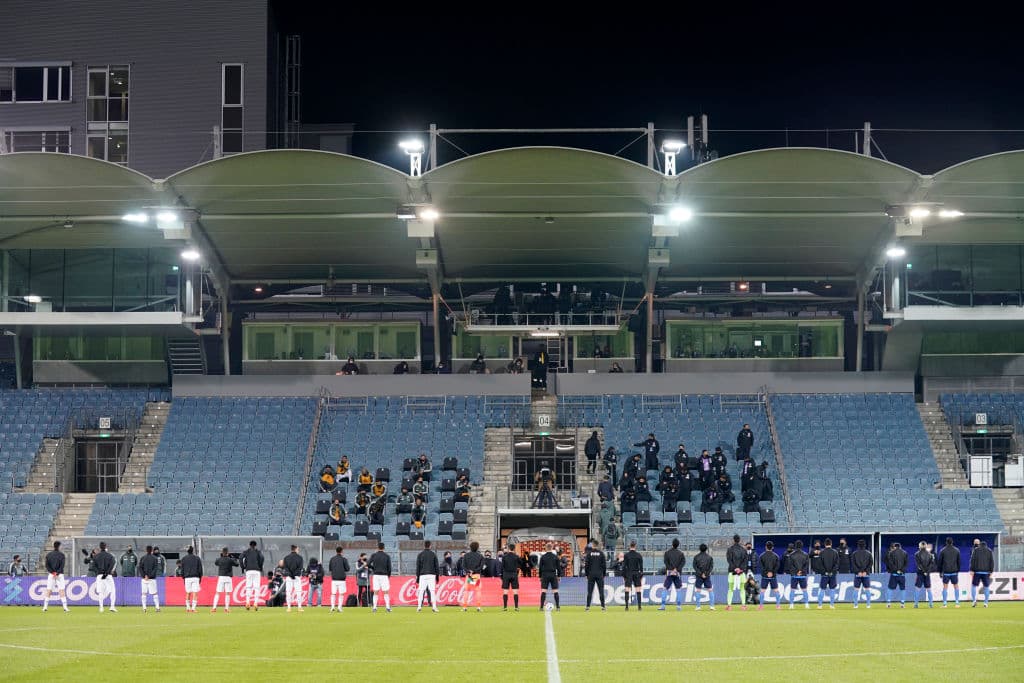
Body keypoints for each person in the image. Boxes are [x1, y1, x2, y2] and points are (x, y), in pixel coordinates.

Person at [658, 538, 686, 611]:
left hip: (669, 573)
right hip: (677, 573)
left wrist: (671, 569)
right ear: (678, 545)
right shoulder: (681, 553)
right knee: (679, 589)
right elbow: (683, 562)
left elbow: (666, 562)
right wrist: (677, 569)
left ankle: (663, 605)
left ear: (672, 544)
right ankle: (679, 606)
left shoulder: (667, 553)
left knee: (665, 588)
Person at [41, 542, 69, 612]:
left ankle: (45, 607)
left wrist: (53, 572)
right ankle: (65, 608)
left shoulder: (49, 555)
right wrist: (57, 573)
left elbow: (47, 566)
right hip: (60, 575)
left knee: (49, 590)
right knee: (61, 590)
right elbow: (62, 566)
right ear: (59, 546)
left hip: (51, 575)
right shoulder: (62, 555)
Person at [90, 542, 117, 613]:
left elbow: (93, 567)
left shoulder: (96, 556)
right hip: (108, 576)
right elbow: (112, 564)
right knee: (113, 590)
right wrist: (106, 573)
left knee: (100, 592)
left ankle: (101, 608)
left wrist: (99, 573)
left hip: (99, 576)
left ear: (100, 547)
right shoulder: (110, 556)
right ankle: (112, 606)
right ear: (105, 547)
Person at [367, 542, 393, 613]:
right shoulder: (387, 556)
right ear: (384, 548)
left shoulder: (374, 555)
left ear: (377, 548)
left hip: (376, 575)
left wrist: (373, 568)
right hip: (384, 576)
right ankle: (387, 607)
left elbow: (368, 564)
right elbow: (389, 568)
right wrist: (388, 576)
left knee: (376, 592)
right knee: (386, 592)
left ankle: (374, 608)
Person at [460, 541, 485, 612]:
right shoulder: (480, 556)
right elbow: (481, 566)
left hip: (469, 576)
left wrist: (469, 571)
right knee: (478, 591)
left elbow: (463, 566)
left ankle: (464, 607)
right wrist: (474, 571)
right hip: (476, 575)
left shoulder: (466, 555)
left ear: (470, 547)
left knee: (467, 591)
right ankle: (478, 607)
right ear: (477, 547)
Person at [415, 540, 440, 613]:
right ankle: (434, 607)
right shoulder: (433, 554)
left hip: (422, 575)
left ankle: (419, 607)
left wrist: (418, 577)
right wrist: (437, 577)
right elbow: (436, 567)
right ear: (430, 546)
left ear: (424, 546)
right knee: (432, 591)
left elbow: (418, 567)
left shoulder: (420, 554)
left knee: (421, 591)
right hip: (432, 575)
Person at [240, 540, 264, 611]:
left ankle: (247, 602)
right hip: (256, 570)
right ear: (255, 545)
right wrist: (260, 566)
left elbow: (240, 558)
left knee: (248, 587)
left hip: (249, 570)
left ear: (250, 545)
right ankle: (256, 603)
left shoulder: (246, 552)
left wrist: (243, 567)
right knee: (256, 587)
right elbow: (262, 558)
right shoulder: (258, 552)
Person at [212, 547, 238, 612]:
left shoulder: (219, 559)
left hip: (221, 577)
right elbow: (237, 564)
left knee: (217, 592)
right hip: (228, 578)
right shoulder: (230, 559)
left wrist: (221, 556)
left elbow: (216, 562)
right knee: (227, 593)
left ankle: (214, 608)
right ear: (228, 553)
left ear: (222, 552)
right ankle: (226, 608)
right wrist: (233, 558)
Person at [970, 540, 995, 608]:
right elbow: (991, 562)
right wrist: (991, 571)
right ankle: (986, 603)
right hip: (986, 572)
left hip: (977, 571)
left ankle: (974, 601)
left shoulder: (976, 550)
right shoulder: (989, 551)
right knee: (986, 587)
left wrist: (972, 570)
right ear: (986, 545)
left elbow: (972, 560)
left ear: (980, 544)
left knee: (973, 586)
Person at [938, 537, 962, 608]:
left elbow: (940, 562)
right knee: (956, 586)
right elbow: (959, 562)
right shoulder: (957, 550)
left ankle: (945, 604)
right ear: (952, 542)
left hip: (946, 572)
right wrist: (958, 570)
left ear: (946, 542)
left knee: (945, 587)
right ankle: (957, 603)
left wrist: (940, 571)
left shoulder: (942, 550)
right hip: (954, 571)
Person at [584, 539, 607, 611]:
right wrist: (604, 574)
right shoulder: (601, 553)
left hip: (591, 574)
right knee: (601, 591)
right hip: (599, 574)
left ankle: (587, 607)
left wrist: (586, 574)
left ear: (593, 545)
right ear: (597, 545)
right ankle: (603, 606)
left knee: (590, 591)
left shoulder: (589, 554)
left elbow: (586, 565)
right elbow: (604, 565)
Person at [726, 534, 748, 610]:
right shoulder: (743, 550)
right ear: (740, 540)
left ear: (733, 540)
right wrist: (740, 569)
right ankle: (743, 605)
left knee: (730, 589)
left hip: (732, 572)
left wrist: (735, 568)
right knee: (742, 589)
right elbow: (745, 561)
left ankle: (729, 606)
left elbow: (729, 560)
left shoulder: (730, 549)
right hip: (741, 573)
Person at [817, 538, 839, 609]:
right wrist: (832, 572)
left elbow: (820, 564)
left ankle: (820, 605)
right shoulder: (835, 552)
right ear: (831, 544)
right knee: (832, 589)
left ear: (825, 544)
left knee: (822, 589)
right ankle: (832, 605)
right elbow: (837, 564)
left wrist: (825, 572)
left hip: (824, 575)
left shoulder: (821, 552)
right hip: (832, 575)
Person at [885, 542, 909, 608]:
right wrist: (901, 570)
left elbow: (890, 564)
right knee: (903, 589)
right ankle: (902, 604)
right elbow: (906, 564)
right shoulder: (905, 553)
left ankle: (889, 603)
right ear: (900, 547)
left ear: (894, 547)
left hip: (894, 574)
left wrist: (896, 570)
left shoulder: (891, 553)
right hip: (902, 575)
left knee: (890, 588)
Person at [759, 541, 781, 610]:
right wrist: (772, 573)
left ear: (766, 547)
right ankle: (778, 606)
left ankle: (761, 606)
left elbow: (761, 567)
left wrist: (766, 573)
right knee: (776, 590)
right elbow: (777, 566)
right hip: (773, 576)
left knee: (762, 591)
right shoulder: (776, 556)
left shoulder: (762, 556)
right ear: (772, 547)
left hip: (765, 577)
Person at [851, 539, 874, 609]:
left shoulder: (854, 553)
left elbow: (853, 564)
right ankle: (868, 605)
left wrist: (858, 572)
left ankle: (855, 605)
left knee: (856, 589)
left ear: (858, 545)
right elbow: (871, 563)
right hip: (865, 574)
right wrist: (865, 572)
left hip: (857, 575)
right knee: (867, 589)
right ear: (865, 545)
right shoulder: (869, 553)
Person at [622, 540, 644, 611]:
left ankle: (626, 607)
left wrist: (624, 576)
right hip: (637, 573)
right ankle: (639, 607)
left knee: (627, 589)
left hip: (629, 573)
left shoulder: (626, 555)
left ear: (629, 546)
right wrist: (641, 576)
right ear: (635, 546)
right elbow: (641, 568)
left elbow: (624, 566)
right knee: (638, 589)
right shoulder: (639, 555)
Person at [788, 540, 810, 609]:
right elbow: (806, 565)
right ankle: (806, 605)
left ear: (795, 546)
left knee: (792, 590)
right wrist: (801, 571)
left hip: (794, 575)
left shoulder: (791, 555)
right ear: (802, 546)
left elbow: (790, 565)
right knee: (805, 590)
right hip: (802, 575)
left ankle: (791, 605)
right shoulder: (805, 554)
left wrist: (796, 572)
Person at [914, 541, 937, 609]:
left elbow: (919, 565)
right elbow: (932, 565)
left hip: (920, 573)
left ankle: (916, 604)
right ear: (926, 546)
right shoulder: (930, 555)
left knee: (917, 588)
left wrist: (924, 571)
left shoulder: (917, 554)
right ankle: (931, 604)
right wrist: (927, 571)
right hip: (927, 574)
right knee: (929, 589)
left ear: (920, 546)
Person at [180, 546, 203, 614]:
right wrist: (200, 577)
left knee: (188, 593)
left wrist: (183, 577)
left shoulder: (184, 559)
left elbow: (182, 569)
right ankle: (193, 608)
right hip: (195, 577)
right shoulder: (197, 558)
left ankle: (188, 608)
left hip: (187, 578)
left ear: (187, 551)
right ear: (193, 550)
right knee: (195, 593)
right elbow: (200, 569)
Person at [282, 545, 305, 613]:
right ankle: (299, 607)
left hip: (289, 577)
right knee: (298, 592)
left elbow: (285, 568)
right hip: (296, 577)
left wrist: (290, 574)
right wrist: (294, 574)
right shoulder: (300, 558)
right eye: (298, 549)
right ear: (295, 549)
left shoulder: (286, 558)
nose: (298, 550)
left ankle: (289, 607)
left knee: (288, 592)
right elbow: (300, 568)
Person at [138, 545, 160, 613]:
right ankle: (157, 608)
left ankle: (144, 608)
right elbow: (155, 569)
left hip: (144, 579)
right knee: (155, 593)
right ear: (152, 550)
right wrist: (149, 576)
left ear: (146, 550)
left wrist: (144, 576)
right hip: (152, 579)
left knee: (144, 594)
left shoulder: (142, 558)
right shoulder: (155, 558)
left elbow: (140, 568)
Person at [692, 543, 715, 610]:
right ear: (706, 549)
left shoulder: (696, 557)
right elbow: (711, 567)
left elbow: (694, 566)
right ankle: (712, 606)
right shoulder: (710, 557)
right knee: (710, 590)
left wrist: (700, 573)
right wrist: (706, 574)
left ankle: (698, 606)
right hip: (707, 576)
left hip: (699, 576)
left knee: (698, 590)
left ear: (700, 549)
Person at [328, 546, 351, 613]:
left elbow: (330, 569)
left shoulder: (332, 559)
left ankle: (332, 607)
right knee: (341, 594)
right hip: (341, 579)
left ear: (336, 551)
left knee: (333, 593)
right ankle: (339, 607)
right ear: (342, 551)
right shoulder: (344, 559)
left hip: (334, 579)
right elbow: (347, 569)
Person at [538, 543, 561, 611]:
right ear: (552, 548)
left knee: (543, 591)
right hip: (553, 575)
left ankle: (541, 607)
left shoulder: (543, 557)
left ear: (546, 548)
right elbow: (559, 568)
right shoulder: (555, 556)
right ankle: (558, 607)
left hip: (545, 575)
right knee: (555, 591)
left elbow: (540, 568)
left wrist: (540, 576)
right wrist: (559, 576)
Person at [500, 542, 521, 611]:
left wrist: (501, 576)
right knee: (515, 592)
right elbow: (521, 564)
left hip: (506, 574)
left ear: (508, 549)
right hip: (514, 574)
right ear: (514, 549)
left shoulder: (504, 557)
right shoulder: (516, 556)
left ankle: (505, 607)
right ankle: (516, 607)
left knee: (505, 591)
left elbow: (502, 567)